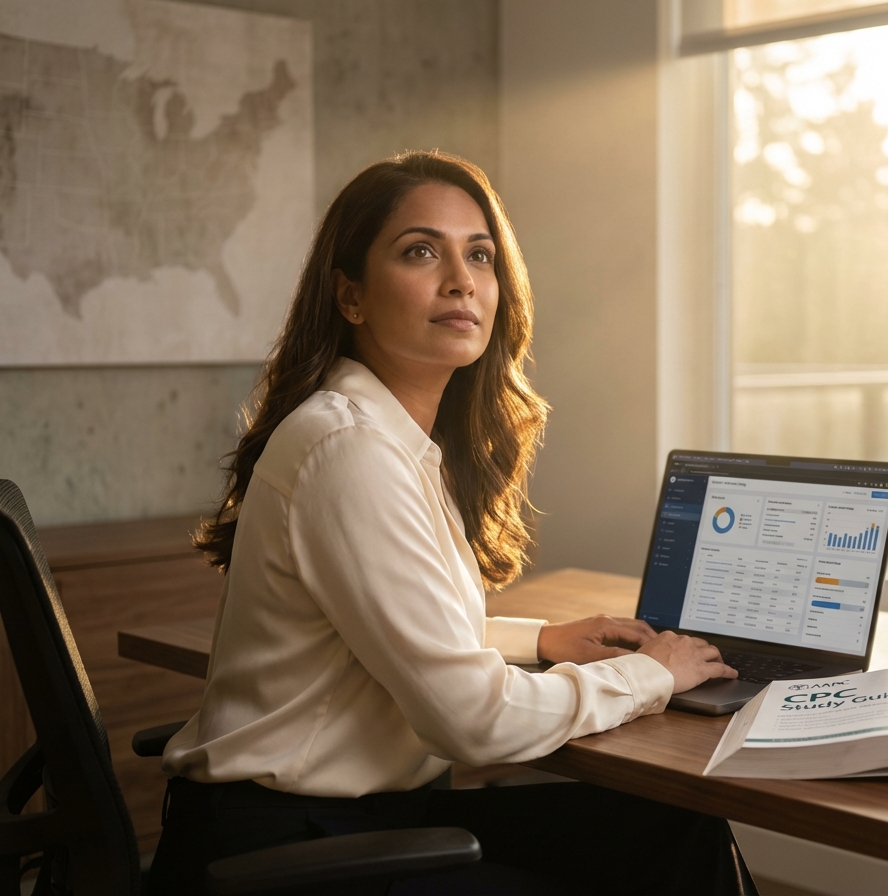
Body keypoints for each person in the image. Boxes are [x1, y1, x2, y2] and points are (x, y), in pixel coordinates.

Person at [148, 151, 755, 895]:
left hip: (342, 824)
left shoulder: (386, 439)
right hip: (292, 855)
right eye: (420, 251)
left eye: (480, 256)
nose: (461, 279)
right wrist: (648, 675)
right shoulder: (351, 452)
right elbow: (473, 722)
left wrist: (542, 640)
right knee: (664, 847)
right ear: (351, 296)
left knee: (674, 828)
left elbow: (394, 634)